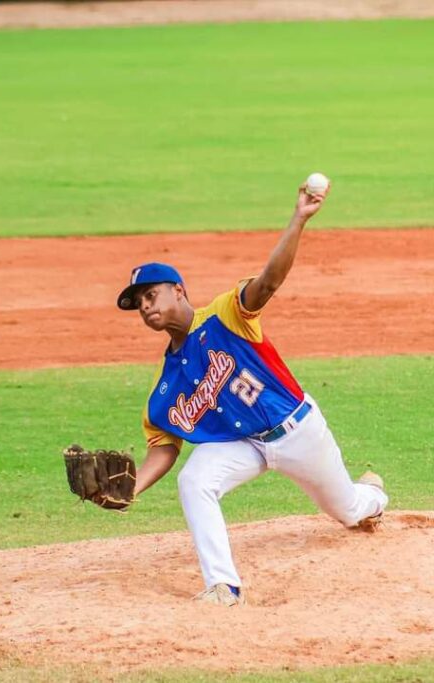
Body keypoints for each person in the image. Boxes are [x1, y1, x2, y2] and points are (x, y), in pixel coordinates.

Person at [116, 181, 388, 606]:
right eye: (139, 305)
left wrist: (299, 219)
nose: (146, 307)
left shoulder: (226, 314)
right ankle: (223, 586)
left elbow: (270, 281)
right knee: (195, 480)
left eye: (151, 295)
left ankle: (373, 493)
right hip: (244, 446)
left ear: (179, 291)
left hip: (297, 431)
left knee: (349, 511)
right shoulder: (163, 388)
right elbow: (164, 448)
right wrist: (130, 490)